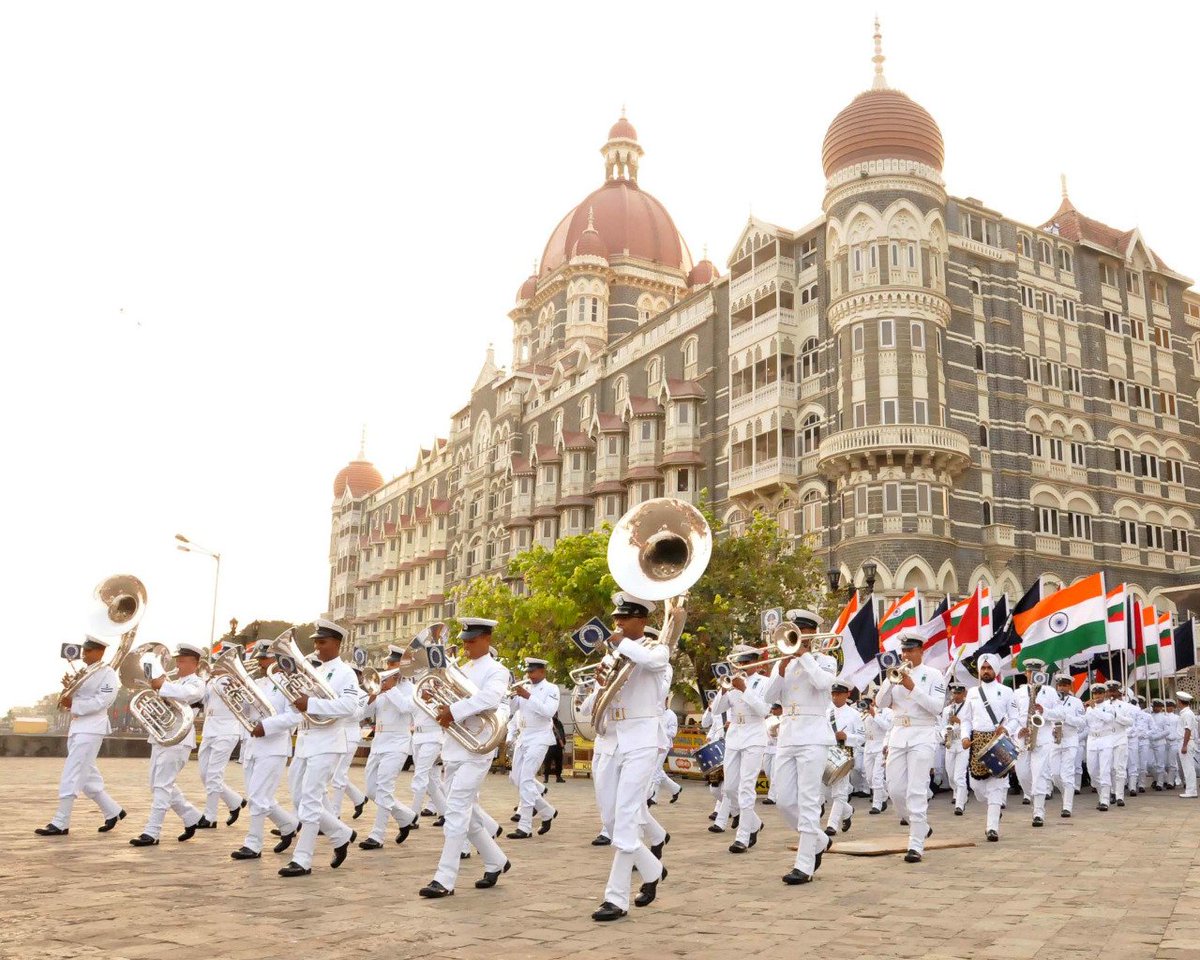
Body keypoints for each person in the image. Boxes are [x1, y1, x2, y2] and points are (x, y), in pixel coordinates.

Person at [590, 593, 669, 922]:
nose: (618, 623)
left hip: (640, 740)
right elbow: (590, 708)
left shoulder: (656, 650)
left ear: (643, 620)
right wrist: (597, 686)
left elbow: (653, 664)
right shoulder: (614, 656)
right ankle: (652, 868)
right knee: (610, 820)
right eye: (616, 618)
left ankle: (616, 898)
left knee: (625, 818)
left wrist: (621, 644)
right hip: (612, 740)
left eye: (625, 618)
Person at [418, 618, 511, 898]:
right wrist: (432, 695)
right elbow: (445, 700)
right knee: (463, 812)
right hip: (455, 746)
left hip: (478, 747)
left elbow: (490, 700)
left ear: (487, 639)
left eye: (472, 640)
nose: (466, 645)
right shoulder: (460, 668)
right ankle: (496, 860)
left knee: (456, 810)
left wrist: (454, 710)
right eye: (464, 641)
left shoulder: (497, 670)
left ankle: (444, 879)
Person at [276, 619, 362, 877]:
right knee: (300, 798)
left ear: (336, 643)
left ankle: (302, 859)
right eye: (315, 642)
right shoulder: (317, 670)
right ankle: (341, 834)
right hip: (305, 740)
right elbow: (299, 705)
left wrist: (311, 703)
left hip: (327, 741)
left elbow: (348, 706)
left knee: (311, 799)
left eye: (321, 642)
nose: (316, 647)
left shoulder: (345, 672)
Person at [759, 608, 836, 886]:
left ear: (814, 633)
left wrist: (804, 656)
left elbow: (824, 684)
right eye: (795, 630)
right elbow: (767, 698)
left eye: (804, 630)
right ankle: (819, 839)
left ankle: (804, 865)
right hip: (788, 735)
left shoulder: (825, 660)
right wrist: (778, 670)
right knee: (783, 800)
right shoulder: (785, 664)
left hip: (814, 735)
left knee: (807, 800)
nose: (799, 635)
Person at [35, 636, 125, 837]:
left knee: (73, 772)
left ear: (100, 651)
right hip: (78, 726)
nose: (84, 654)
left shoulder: (108, 673)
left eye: (89, 651)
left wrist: (73, 704)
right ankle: (113, 811)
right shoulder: (86, 672)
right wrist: (70, 689)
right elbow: (79, 696)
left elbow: (103, 701)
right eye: (84, 650)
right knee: (87, 775)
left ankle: (61, 822)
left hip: (92, 728)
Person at [128, 642, 206, 847]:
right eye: (178, 659)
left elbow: (188, 696)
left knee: (162, 785)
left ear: (195, 664)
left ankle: (152, 832)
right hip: (161, 736)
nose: (178, 663)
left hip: (179, 739)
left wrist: (161, 684)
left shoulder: (196, 683)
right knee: (157, 784)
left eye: (183, 660)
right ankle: (192, 817)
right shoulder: (175, 681)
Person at [876, 630, 944, 863]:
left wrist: (912, 687)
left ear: (921, 651)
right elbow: (880, 703)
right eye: (904, 650)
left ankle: (915, 845)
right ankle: (921, 826)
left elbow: (936, 707)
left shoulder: (934, 675)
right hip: (898, 734)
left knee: (916, 790)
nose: (906, 654)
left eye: (911, 650)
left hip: (922, 734)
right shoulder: (893, 675)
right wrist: (889, 681)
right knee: (894, 790)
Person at [230, 641, 300, 860]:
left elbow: (295, 716)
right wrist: (236, 693)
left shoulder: (289, 684)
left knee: (259, 796)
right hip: (253, 746)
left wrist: (267, 726)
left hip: (274, 746)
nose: (260, 663)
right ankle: (288, 825)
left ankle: (253, 844)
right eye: (260, 659)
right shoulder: (257, 683)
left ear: (278, 660)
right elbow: (245, 711)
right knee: (256, 797)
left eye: (265, 659)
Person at [709, 643, 770, 853]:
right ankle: (753, 823)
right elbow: (717, 710)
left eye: (745, 662)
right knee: (729, 788)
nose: (741, 666)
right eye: (739, 662)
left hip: (754, 733)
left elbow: (763, 710)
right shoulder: (732, 683)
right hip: (735, 734)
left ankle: (743, 836)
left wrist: (744, 689)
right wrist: (723, 690)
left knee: (746, 787)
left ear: (755, 662)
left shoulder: (764, 682)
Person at [358, 644, 419, 850]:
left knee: (384, 788)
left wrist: (390, 689)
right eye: (387, 663)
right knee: (372, 790)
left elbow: (406, 708)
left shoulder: (410, 688)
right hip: (379, 743)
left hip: (397, 743)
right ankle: (406, 816)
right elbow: (362, 715)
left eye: (392, 664)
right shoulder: (381, 688)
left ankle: (377, 835)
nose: (387, 667)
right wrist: (372, 695)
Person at [960, 653, 1017, 842]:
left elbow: (1015, 717)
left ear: (996, 670)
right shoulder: (973, 693)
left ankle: (992, 827)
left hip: (998, 740)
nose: (986, 671)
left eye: (989, 668)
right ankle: (994, 807)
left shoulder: (1007, 691)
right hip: (977, 742)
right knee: (977, 787)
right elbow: (966, 719)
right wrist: (965, 736)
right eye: (983, 668)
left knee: (997, 786)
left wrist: (1006, 728)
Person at [507, 658, 560, 839]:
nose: (529, 675)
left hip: (540, 737)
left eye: (532, 671)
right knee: (516, 778)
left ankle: (525, 826)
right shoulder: (526, 688)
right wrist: (513, 696)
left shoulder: (552, 689)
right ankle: (547, 811)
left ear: (542, 672)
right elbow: (513, 710)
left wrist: (528, 696)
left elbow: (548, 712)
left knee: (527, 779)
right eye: (528, 672)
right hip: (523, 737)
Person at [196, 645, 246, 830]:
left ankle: (210, 816)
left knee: (214, 774)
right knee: (204, 774)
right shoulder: (211, 680)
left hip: (227, 729)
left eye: (221, 662)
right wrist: (205, 680)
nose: (215, 666)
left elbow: (233, 697)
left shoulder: (230, 681)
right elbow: (201, 700)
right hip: (210, 729)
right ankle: (235, 801)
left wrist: (224, 678)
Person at [1012, 659, 1057, 826]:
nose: (1032, 674)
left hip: (1043, 737)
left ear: (1042, 673)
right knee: (1022, 774)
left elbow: (1060, 714)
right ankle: (1034, 796)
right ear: (1026, 673)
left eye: (1036, 671)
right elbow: (1012, 716)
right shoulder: (1017, 693)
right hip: (1023, 738)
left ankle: (1038, 812)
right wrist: (1018, 731)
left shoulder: (1050, 692)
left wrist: (1045, 711)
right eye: (1030, 672)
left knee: (1039, 775)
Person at [325, 668, 369, 821]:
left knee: (338, 775)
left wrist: (342, 705)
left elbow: (357, 714)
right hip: (336, 734)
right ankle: (358, 798)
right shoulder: (337, 689)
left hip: (350, 736)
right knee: (331, 773)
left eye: (355, 674)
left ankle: (334, 814)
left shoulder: (363, 694)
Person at [825, 681, 865, 836]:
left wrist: (847, 736)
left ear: (847, 694)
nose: (835, 697)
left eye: (839, 694)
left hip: (845, 752)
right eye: (833, 694)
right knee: (826, 791)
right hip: (827, 752)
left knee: (840, 792)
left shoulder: (854, 714)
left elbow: (862, 737)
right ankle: (847, 811)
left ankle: (832, 825)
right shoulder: (827, 712)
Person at [1047, 674, 1085, 818]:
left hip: (1070, 741)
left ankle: (1067, 806)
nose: (1062, 687)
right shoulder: (1052, 702)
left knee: (1067, 774)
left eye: (1065, 685)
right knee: (1055, 775)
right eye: (1059, 685)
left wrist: (1066, 718)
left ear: (1070, 686)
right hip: (1055, 741)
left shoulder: (1076, 702)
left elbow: (1082, 722)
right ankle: (1066, 794)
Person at [940, 684, 969, 815]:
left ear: (964, 693)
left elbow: (973, 724)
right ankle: (959, 793)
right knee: (951, 776)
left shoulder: (969, 707)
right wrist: (943, 734)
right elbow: (941, 726)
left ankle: (960, 804)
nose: (956, 696)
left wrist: (960, 721)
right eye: (954, 693)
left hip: (962, 743)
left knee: (959, 776)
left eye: (959, 693)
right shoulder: (947, 709)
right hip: (950, 743)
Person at [862, 694, 892, 815]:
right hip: (868, 747)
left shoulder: (888, 712)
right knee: (869, 778)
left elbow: (888, 727)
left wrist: (875, 715)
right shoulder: (865, 711)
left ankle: (877, 805)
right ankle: (884, 795)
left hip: (881, 746)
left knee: (877, 777)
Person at [1176, 691, 1197, 798]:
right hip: (1185, 742)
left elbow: (1187, 730)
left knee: (1188, 768)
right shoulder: (1185, 713)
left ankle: (1191, 790)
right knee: (1187, 767)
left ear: (1180, 702)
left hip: (1186, 743)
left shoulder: (1187, 714)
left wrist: (1184, 745)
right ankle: (1190, 789)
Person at [762, 703, 782, 805]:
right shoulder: (768, 720)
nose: (773, 711)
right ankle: (776, 793)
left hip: (778, 748)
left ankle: (772, 797)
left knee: (774, 773)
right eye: (772, 709)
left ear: (780, 709)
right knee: (768, 772)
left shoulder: (784, 719)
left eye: (775, 709)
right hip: (767, 748)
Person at [543, 715, 567, 784]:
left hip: (558, 745)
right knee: (548, 762)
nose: (555, 716)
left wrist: (563, 742)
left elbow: (562, 732)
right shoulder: (548, 723)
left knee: (559, 762)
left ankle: (558, 777)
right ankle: (546, 777)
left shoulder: (559, 723)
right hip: (550, 745)